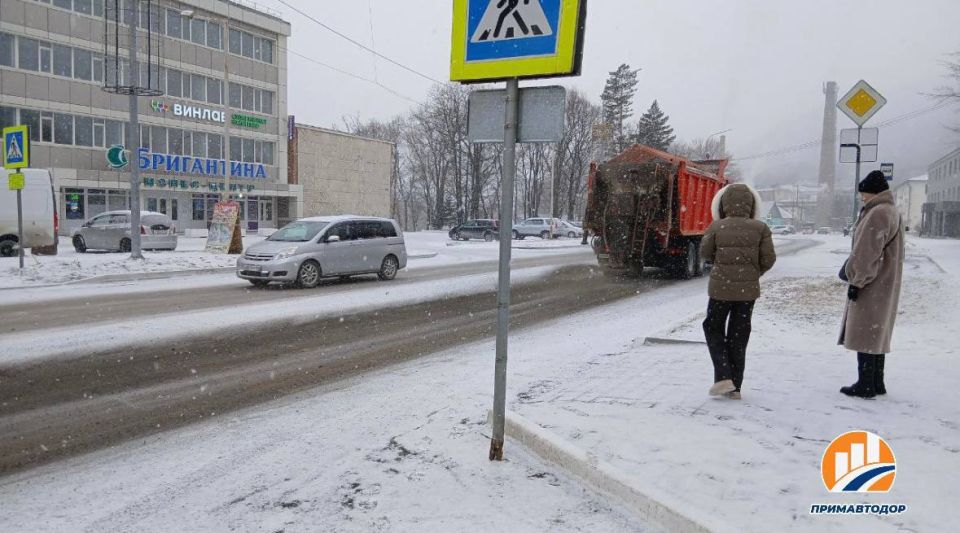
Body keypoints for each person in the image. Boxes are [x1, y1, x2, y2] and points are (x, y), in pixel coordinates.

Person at [700, 184, 777, 400]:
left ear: (724, 204)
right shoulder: (761, 228)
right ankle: (735, 388)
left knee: (712, 327)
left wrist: (721, 265)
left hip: (720, 289)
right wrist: (753, 274)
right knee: (739, 335)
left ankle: (723, 376)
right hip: (747, 292)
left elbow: (705, 253)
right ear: (751, 205)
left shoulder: (716, 227)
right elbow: (769, 259)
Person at [838, 170, 904, 399]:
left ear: (872, 192)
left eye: (863, 194)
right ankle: (877, 381)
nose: (861, 198)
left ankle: (865, 383)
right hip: (886, 281)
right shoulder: (891, 211)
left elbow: (867, 253)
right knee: (878, 331)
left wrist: (856, 280)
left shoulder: (877, 213)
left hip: (872, 283)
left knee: (866, 331)